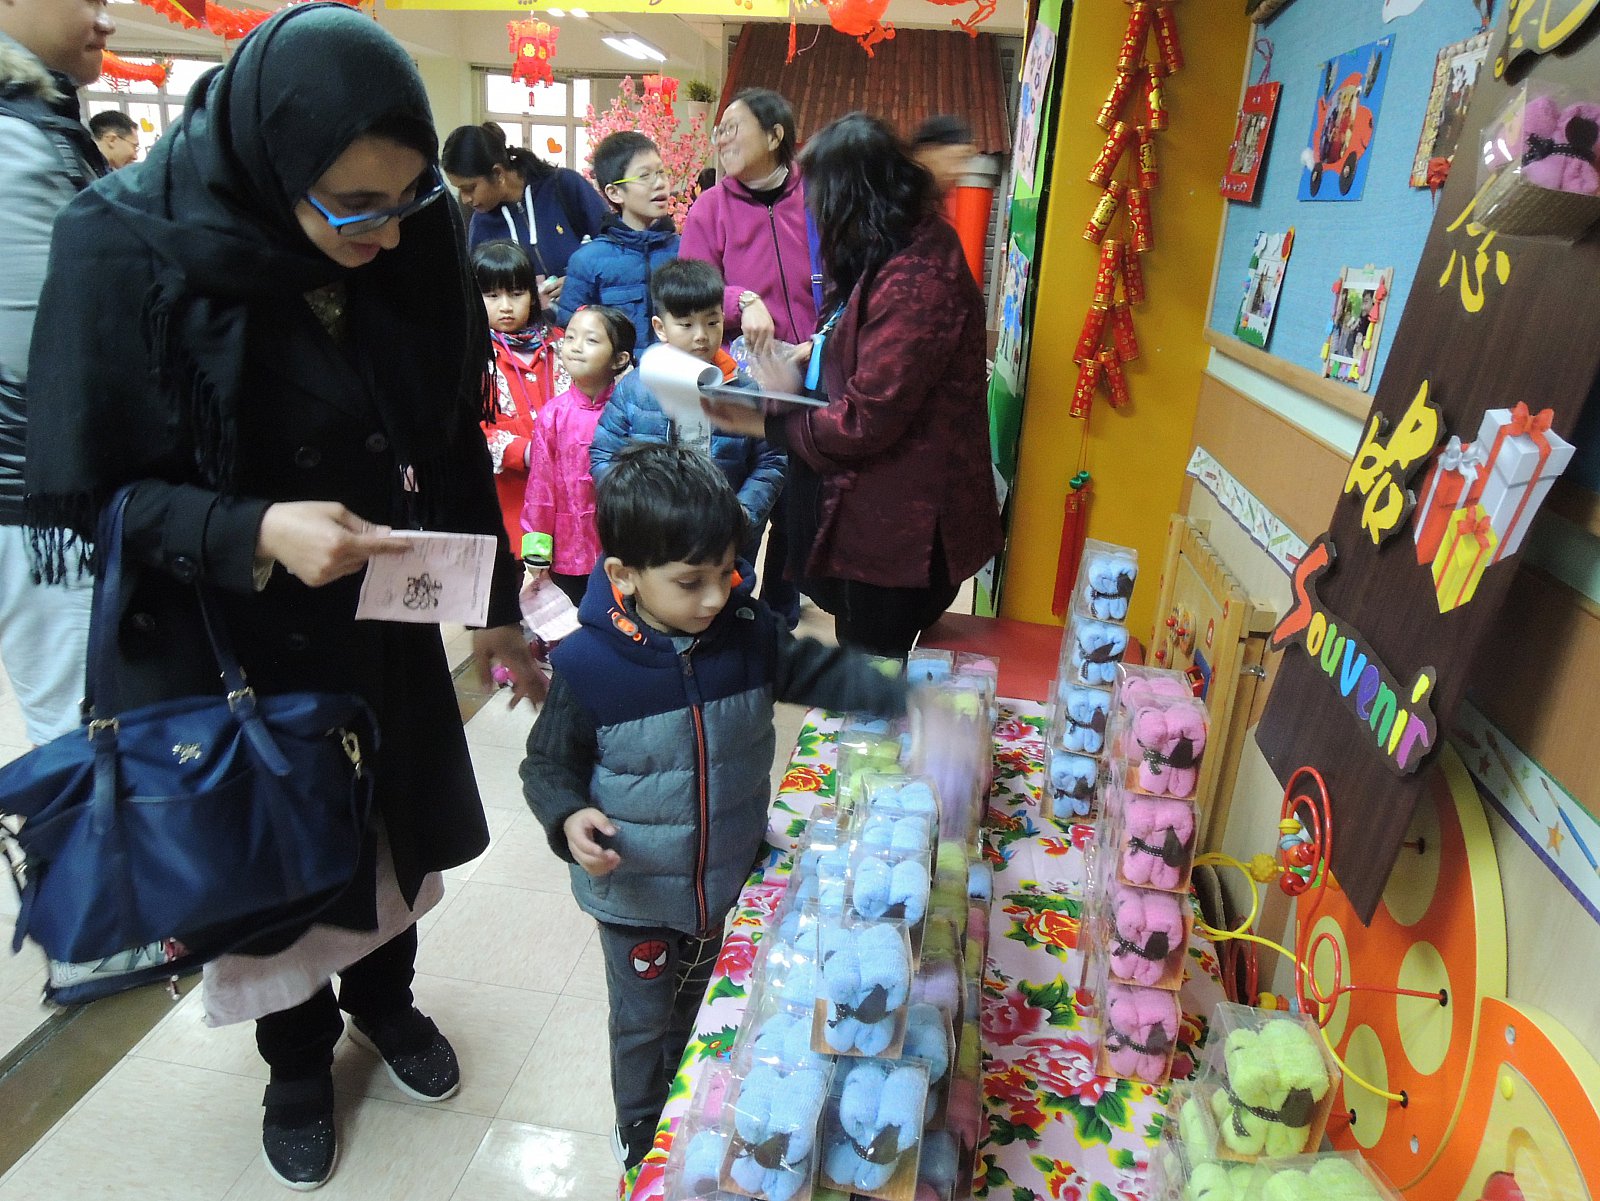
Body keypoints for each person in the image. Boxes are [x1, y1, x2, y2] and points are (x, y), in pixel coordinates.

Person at [22, 6, 542, 1189]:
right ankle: (297, 1060)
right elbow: (92, 493)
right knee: (277, 866)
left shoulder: (411, 232)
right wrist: (251, 529)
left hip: (377, 607)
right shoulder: (126, 243)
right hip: (229, 632)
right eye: (350, 207)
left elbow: (447, 438)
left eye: (404, 200)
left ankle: (388, 1002)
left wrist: (496, 604)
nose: (382, 233)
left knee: (389, 843)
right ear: (271, 162)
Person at [520, 442, 906, 1171]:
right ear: (623, 576)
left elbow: (817, 670)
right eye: (688, 582)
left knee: (698, 998)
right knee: (642, 1018)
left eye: (725, 574)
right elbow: (547, 765)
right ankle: (640, 1122)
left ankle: (685, 1085)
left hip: (721, 879)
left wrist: (897, 691)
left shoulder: (748, 636)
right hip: (636, 897)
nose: (712, 599)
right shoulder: (588, 667)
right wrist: (567, 817)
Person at [703, 113, 1003, 659]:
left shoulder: (920, 274)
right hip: (875, 517)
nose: (815, 212)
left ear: (853, 197)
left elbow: (868, 418)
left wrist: (762, 423)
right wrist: (810, 356)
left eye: (821, 197)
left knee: (874, 666)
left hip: (902, 528)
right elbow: (858, 338)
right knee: (862, 653)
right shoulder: (891, 246)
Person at [0, 0, 110, 746]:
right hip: (42, 500)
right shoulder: (16, 140)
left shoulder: (38, 118)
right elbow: (49, 351)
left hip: (46, 492)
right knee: (89, 735)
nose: (105, 20)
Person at [680, 88, 817, 627]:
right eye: (720, 130)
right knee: (744, 507)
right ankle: (733, 619)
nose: (722, 139)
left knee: (799, 511)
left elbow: (849, 279)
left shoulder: (817, 198)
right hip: (743, 385)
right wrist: (743, 300)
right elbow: (691, 288)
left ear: (776, 135)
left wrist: (825, 339)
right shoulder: (710, 208)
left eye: (734, 127)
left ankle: (781, 621)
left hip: (812, 379)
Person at [589, 257, 783, 568]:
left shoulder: (745, 391)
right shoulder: (636, 388)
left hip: (725, 539)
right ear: (660, 328)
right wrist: (635, 509)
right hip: (653, 536)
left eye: (712, 322)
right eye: (686, 324)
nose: (701, 335)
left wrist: (742, 514)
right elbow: (603, 454)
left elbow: (771, 461)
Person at [521, 303, 635, 606]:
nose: (575, 347)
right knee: (577, 616)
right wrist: (537, 548)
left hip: (623, 543)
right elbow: (540, 486)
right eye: (570, 337)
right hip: (568, 546)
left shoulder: (629, 411)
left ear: (619, 359)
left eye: (591, 340)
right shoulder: (552, 415)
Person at [443, 121, 609, 306]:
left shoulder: (563, 186)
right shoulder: (481, 225)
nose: (465, 198)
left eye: (469, 188)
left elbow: (617, 247)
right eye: (459, 189)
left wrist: (582, 280)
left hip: (589, 315)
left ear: (498, 173)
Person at [473, 238, 564, 549]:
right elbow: (466, 429)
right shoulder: (469, 357)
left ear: (532, 296)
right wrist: (523, 451)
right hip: (508, 503)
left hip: (567, 498)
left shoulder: (562, 344)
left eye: (516, 293)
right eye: (491, 295)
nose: (506, 306)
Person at [556, 130, 679, 352]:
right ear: (614, 193)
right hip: (616, 373)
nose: (660, 183)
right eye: (645, 176)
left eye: (661, 172)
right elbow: (571, 333)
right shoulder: (588, 261)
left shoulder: (684, 250)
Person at [911, 114, 977, 198]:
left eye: (964, 160)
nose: (960, 171)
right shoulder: (898, 195)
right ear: (924, 153)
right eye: (952, 159)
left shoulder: (949, 197)